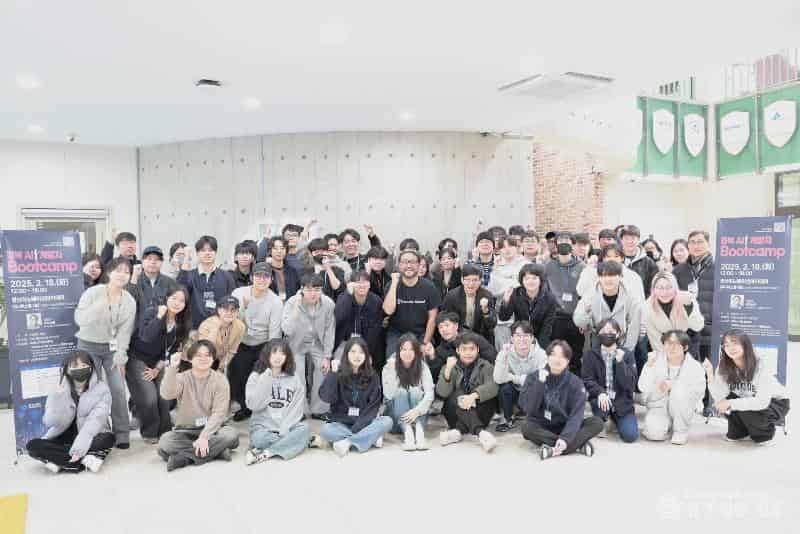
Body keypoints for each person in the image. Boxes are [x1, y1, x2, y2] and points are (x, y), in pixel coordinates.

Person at [74, 257, 136, 449]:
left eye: (126, 271)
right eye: (118, 270)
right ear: (109, 272)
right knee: (92, 390)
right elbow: (80, 319)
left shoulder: (129, 300)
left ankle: (122, 433)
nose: (122, 275)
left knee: (118, 389)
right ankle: (98, 431)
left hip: (112, 349)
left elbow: (125, 332)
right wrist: (98, 307)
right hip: (88, 345)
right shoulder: (93, 293)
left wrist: (121, 357)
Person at [26, 351, 114, 473]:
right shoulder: (58, 389)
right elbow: (50, 421)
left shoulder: (102, 389)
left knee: (108, 439)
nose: (80, 369)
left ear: (91, 368)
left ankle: (60, 461)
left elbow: (94, 422)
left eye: (84, 365)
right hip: (65, 437)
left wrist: (79, 449)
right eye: (75, 366)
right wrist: (57, 398)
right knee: (32, 446)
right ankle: (79, 462)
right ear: (66, 370)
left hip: (90, 435)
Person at [158, 340, 240, 471]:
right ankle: (217, 452)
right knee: (165, 442)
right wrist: (172, 368)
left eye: (207, 355)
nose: (203, 359)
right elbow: (166, 394)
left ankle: (184, 458)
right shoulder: (182, 378)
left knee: (232, 435)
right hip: (186, 430)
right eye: (198, 355)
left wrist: (204, 436)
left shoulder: (220, 380)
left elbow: (219, 413)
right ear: (190, 359)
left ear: (213, 359)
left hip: (213, 430)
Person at [127, 286, 192, 443]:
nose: (177, 303)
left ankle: (165, 431)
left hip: (158, 361)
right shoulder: (152, 312)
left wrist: (157, 368)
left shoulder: (182, 322)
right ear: (166, 298)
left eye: (181, 301)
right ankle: (150, 432)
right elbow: (146, 336)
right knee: (149, 397)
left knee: (164, 395)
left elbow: (173, 349)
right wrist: (159, 316)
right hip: (137, 358)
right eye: (174, 298)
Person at [519, 341, 603, 459]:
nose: (557, 359)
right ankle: (576, 444)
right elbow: (529, 408)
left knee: (596, 423)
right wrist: (540, 383)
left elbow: (576, 415)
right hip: (542, 425)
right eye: (554, 355)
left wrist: (565, 438)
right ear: (547, 357)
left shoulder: (575, 382)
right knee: (526, 427)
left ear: (568, 361)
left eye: (562, 356)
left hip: (565, 424)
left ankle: (552, 449)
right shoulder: (533, 377)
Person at [708, 330, 790, 445]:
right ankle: (741, 432)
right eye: (726, 345)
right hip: (746, 397)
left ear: (745, 344)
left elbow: (762, 402)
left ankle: (765, 434)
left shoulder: (762, 364)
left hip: (775, 402)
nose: (731, 348)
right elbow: (721, 397)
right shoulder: (724, 366)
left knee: (742, 404)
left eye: (735, 343)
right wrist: (710, 377)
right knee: (731, 402)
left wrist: (730, 403)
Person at [317, 338, 393, 456]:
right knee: (325, 430)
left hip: (364, 421)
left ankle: (347, 442)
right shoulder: (338, 372)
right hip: (341, 422)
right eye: (353, 352)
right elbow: (327, 397)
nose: (357, 356)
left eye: (361, 352)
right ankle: (368, 438)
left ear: (366, 355)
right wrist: (333, 373)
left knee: (387, 421)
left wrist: (358, 427)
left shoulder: (373, 376)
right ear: (346, 354)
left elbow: (373, 406)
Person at [229, 262, 284, 421]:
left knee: (259, 376)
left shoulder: (275, 302)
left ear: (271, 279)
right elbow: (232, 322)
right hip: (240, 341)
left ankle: (260, 407)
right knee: (238, 375)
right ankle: (244, 407)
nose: (261, 279)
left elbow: (274, 333)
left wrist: (270, 355)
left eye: (266, 276)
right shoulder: (239, 293)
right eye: (258, 276)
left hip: (263, 343)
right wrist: (243, 308)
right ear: (252, 277)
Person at [244, 340, 311, 464]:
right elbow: (253, 405)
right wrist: (266, 378)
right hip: (263, 428)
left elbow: (296, 409)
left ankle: (266, 453)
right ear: (267, 354)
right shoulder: (256, 376)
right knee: (259, 439)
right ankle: (295, 443)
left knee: (304, 428)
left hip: (288, 427)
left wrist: (284, 430)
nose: (278, 357)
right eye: (274, 352)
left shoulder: (294, 378)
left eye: (282, 353)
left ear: (287, 357)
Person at [672, 230, 715, 415]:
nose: (696, 246)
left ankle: (709, 403)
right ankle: (686, 403)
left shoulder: (719, 268)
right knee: (685, 367)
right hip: (686, 326)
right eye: (692, 242)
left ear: (708, 243)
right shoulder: (679, 270)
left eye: (700, 241)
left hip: (710, 325)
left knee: (708, 365)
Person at [281, 273, 336, 418]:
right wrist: (296, 308)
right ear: (302, 289)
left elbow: (329, 332)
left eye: (317, 289)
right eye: (309, 289)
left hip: (317, 343)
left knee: (323, 370)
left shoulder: (328, 304)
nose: (313, 293)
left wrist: (327, 357)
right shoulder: (292, 302)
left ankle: (319, 409)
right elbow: (286, 329)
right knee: (297, 374)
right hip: (295, 344)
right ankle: (300, 410)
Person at [637, 330, 706, 444]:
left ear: (685, 347)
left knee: (678, 391)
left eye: (677, 344)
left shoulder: (694, 366)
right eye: (668, 343)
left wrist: (675, 386)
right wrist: (649, 366)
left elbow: (699, 392)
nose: (672, 348)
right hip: (658, 407)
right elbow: (642, 387)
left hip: (681, 410)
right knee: (654, 434)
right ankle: (665, 426)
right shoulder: (654, 360)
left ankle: (680, 430)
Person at [436, 332, 499, 453]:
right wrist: (447, 372)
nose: (468, 353)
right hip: (455, 415)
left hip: (481, 413)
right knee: (457, 395)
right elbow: (442, 393)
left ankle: (457, 432)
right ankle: (480, 433)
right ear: (457, 350)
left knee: (486, 400)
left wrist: (474, 396)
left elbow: (493, 386)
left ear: (478, 349)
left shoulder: (485, 365)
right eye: (464, 349)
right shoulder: (450, 366)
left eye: (472, 349)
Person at [581, 318, 639, 442]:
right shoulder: (590, 355)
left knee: (630, 436)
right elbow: (587, 379)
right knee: (601, 412)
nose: (607, 334)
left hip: (622, 402)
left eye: (611, 331)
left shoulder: (627, 354)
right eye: (603, 331)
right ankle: (603, 418)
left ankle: (614, 419)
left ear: (618, 334)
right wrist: (600, 392)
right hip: (601, 400)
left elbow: (630, 384)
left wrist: (620, 363)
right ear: (598, 334)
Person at [383, 250, 441, 358]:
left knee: (423, 360)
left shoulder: (429, 287)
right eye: (405, 262)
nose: (408, 265)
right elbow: (388, 311)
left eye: (412, 262)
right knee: (393, 360)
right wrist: (394, 283)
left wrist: (425, 342)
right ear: (399, 265)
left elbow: (432, 318)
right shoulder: (391, 285)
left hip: (421, 333)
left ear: (418, 265)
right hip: (397, 334)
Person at [573, 261, 642, 352]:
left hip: (622, 338)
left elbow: (634, 327)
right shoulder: (590, 294)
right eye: (604, 276)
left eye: (612, 275)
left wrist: (626, 350)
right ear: (598, 277)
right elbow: (578, 321)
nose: (608, 279)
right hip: (599, 338)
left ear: (620, 276)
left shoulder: (631, 297)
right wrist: (586, 312)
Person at [382, 334, 435, 450]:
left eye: (411, 349)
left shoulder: (422, 366)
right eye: (404, 349)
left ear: (416, 351)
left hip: (418, 416)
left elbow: (429, 394)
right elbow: (389, 395)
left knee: (416, 391)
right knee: (401, 392)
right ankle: (408, 434)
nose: (407, 353)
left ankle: (420, 434)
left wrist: (416, 411)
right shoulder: (389, 366)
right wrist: (392, 371)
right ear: (398, 351)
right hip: (397, 418)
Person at [493, 321, 546, 432]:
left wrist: (512, 377)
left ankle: (535, 418)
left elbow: (543, 378)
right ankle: (508, 419)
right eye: (518, 336)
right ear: (512, 338)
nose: (522, 339)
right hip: (514, 392)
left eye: (526, 335)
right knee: (504, 387)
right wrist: (504, 357)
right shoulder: (504, 353)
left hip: (531, 392)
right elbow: (498, 378)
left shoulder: (541, 354)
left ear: (532, 338)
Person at [544, 231, 586, 369]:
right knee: (556, 354)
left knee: (575, 356)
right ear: (555, 245)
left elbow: (586, 295)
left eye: (567, 240)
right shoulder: (548, 266)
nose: (564, 243)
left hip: (575, 318)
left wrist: (583, 319)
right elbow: (545, 292)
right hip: (555, 318)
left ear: (573, 245)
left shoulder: (582, 267)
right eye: (560, 241)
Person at [177, 235, 236, 328]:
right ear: (197, 253)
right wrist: (186, 257)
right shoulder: (189, 275)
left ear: (215, 252)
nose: (207, 253)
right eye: (203, 250)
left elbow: (232, 302)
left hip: (220, 328)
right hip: (194, 328)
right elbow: (179, 292)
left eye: (211, 250)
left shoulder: (226, 276)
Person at [643, 272, 704, 358]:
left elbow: (698, 326)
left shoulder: (687, 298)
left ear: (675, 288)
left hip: (688, 343)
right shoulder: (647, 307)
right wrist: (666, 360)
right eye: (660, 288)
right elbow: (655, 340)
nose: (664, 292)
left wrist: (689, 308)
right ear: (653, 289)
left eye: (669, 287)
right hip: (664, 346)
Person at [498, 263, 559, 350]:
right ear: (522, 281)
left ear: (541, 280)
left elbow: (547, 327)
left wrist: (538, 348)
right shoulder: (516, 293)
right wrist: (505, 301)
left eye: (534, 278)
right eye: (527, 278)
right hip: (520, 336)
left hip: (540, 338)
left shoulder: (550, 299)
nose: (530, 281)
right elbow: (503, 317)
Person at [334, 271, 385, 371]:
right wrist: (348, 295)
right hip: (345, 341)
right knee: (338, 366)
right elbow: (339, 317)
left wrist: (366, 351)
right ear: (351, 284)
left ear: (369, 285)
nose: (361, 285)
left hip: (367, 343)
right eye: (358, 282)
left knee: (367, 366)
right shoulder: (344, 297)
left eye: (365, 282)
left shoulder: (376, 301)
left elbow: (375, 331)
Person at [487, 236, 530, 349]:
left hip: (522, 314)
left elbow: (525, 287)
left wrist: (503, 282)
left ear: (517, 247)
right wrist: (513, 283)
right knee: (503, 351)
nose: (507, 249)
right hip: (501, 315)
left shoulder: (526, 264)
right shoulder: (496, 266)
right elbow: (493, 290)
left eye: (510, 246)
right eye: (503, 247)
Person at [442, 264, 496, 344]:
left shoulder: (487, 296)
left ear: (480, 281)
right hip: (458, 338)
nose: (471, 284)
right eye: (467, 280)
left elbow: (491, 325)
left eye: (475, 280)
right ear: (462, 280)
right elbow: (445, 320)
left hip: (481, 339)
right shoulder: (452, 296)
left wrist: (485, 311)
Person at [576, 243, 645, 302]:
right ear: (603, 258)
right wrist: (589, 269)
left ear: (622, 258)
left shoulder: (632, 276)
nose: (612, 259)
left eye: (616, 256)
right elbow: (581, 291)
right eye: (608, 256)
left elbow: (639, 300)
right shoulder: (594, 273)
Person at [198, 296, 245, 372]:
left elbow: (232, 351)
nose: (229, 313)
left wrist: (220, 368)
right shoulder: (206, 325)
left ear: (237, 312)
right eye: (226, 309)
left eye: (233, 310)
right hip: (200, 358)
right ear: (219, 310)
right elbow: (205, 349)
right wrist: (215, 328)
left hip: (219, 361)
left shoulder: (240, 327)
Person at [620, 225, 659, 299]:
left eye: (633, 238)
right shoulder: (616, 260)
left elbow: (654, 287)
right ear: (621, 240)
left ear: (638, 240)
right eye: (626, 238)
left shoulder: (649, 263)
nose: (629, 241)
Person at [305, 237, 346, 301]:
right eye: (316, 252)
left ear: (327, 251)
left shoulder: (337, 269)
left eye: (322, 251)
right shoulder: (307, 270)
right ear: (311, 254)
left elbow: (336, 287)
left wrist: (328, 268)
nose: (320, 254)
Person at [266, 236, 301, 302]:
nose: (279, 251)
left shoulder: (292, 271)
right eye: (275, 248)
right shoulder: (265, 271)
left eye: (282, 248)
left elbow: (298, 290)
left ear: (286, 250)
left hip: (290, 305)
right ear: (270, 251)